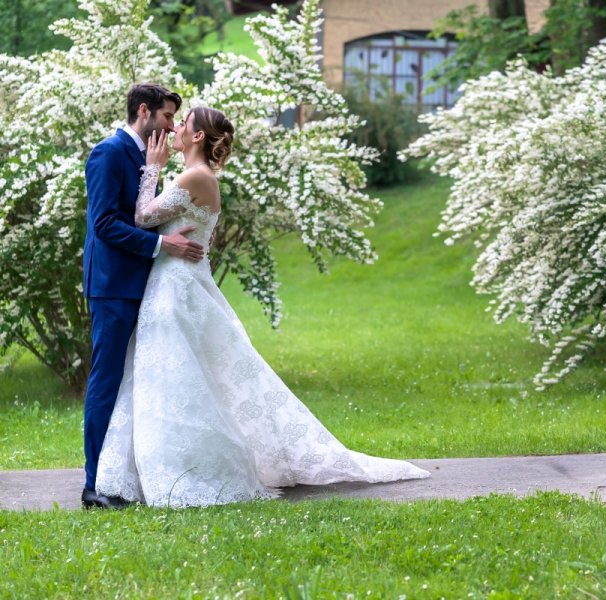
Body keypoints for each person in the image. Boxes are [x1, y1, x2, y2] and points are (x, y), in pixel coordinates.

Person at [94, 107, 429, 507]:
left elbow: (141, 216)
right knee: (173, 375)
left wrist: (151, 168)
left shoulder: (194, 176)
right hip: (174, 283)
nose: (175, 127)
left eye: (183, 123)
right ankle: (158, 468)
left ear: (198, 137)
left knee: (177, 375)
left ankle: (192, 469)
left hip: (175, 288)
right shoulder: (196, 178)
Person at [82, 83, 205, 510]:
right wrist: (161, 246)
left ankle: (126, 476)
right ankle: (93, 486)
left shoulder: (149, 157)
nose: (172, 127)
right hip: (113, 286)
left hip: (147, 286)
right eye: (168, 117)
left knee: (136, 384)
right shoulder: (109, 153)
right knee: (107, 381)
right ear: (144, 111)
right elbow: (104, 225)